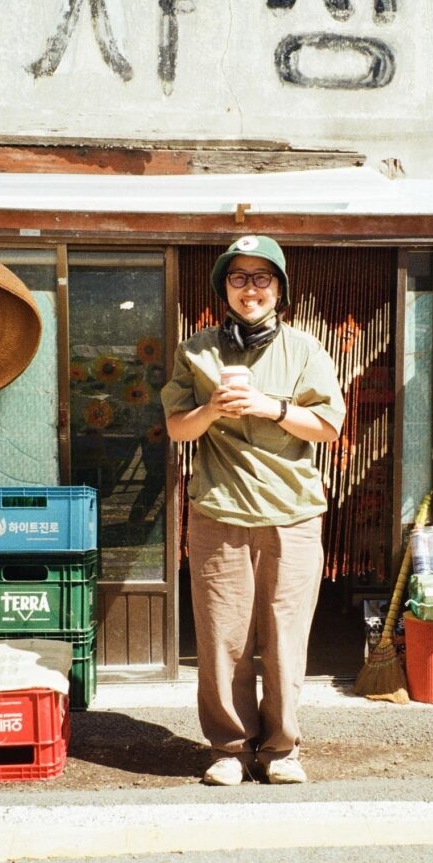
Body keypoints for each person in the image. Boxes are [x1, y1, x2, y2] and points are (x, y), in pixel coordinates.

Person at [160, 235, 346, 786]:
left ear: (279, 289)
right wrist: (210, 408)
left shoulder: (306, 350)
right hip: (220, 510)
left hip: (292, 513)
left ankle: (282, 750)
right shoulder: (196, 352)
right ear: (224, 289)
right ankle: (230, 750)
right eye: (238, 278)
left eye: (262, 278)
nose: (250, 289)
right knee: (224, 638)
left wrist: (273, 407)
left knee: (285, 636)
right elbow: (176, 429)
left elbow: (330, 427)